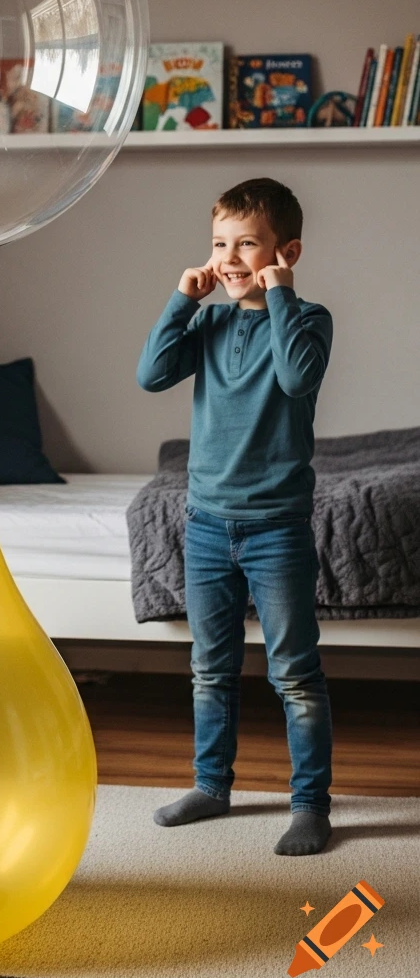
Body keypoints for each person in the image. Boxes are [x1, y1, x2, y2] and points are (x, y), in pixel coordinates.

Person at [136, 177, 334, 856]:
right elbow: (151, 374)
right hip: (208, 525)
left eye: (247, 244)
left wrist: (277, 293)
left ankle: (310, 803)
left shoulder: (308, 319)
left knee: (295, 675)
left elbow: (296, 378)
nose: (228, 257)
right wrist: (181, 301)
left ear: (286, 252)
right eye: (220, 243)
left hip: (277, 528)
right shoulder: (211, 321)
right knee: (211, 668)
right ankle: (210, 786)